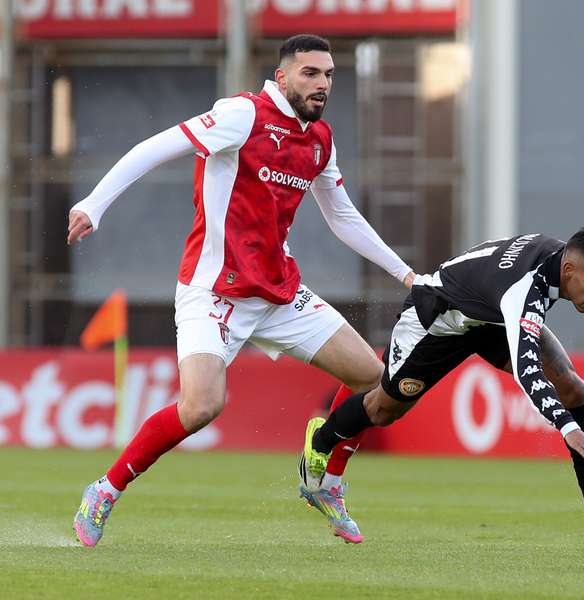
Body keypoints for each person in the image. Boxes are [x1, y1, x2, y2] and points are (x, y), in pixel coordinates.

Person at [68, 34, 415, 547]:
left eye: (329, 75)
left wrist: (406, 274)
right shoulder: (240, 115)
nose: (321, 85)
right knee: (201, 407)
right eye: (310, 73)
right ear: (282, 76)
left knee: (373, 379)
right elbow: (155, 147)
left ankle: (325, 476)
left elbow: (341, 215)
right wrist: (94, 204)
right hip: (215, 293)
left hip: (278, 292)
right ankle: (105, 488)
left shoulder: (320, 137)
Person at [299, 226, 584, 540]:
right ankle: (322, 438)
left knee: (572, 387)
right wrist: (569, 428)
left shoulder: (556, 263)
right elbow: (527, 372)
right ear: (569, 269)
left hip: (486, 318)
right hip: (436, 318)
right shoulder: (524, 290)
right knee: (383, 408)